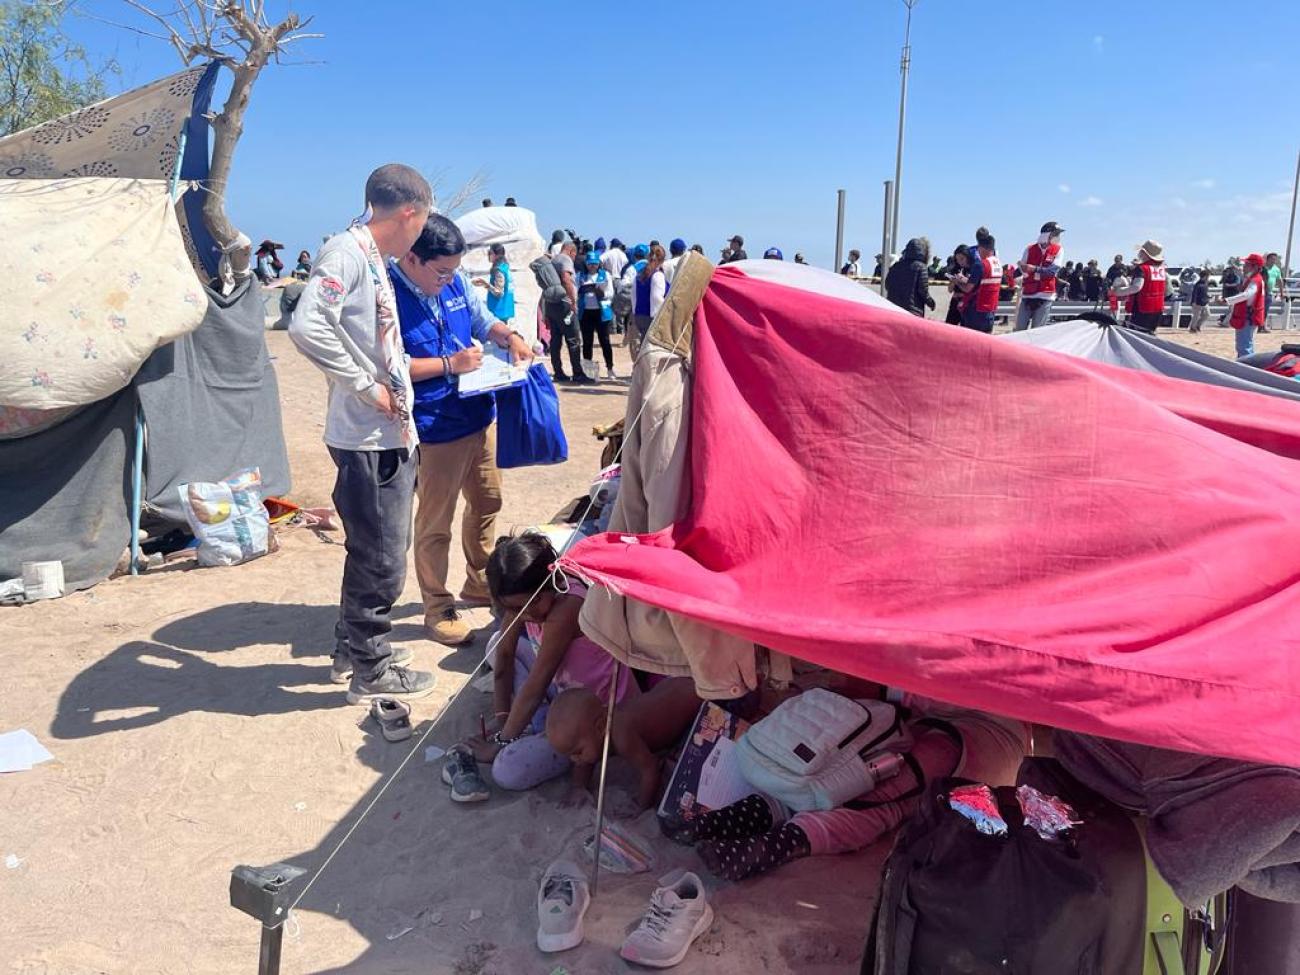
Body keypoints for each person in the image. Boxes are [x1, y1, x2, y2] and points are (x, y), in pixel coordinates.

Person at [288, 163, 437, 703]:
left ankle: (352, 648)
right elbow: (307, 325)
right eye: (421, 223)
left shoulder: (369, 257)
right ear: (409, 213)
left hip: (385, 432)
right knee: (381, 558)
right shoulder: (346, 253)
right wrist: (364, 386)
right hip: (366, 435)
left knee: (374, 550)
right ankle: (370, 670)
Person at [692, 692, 1027, 882]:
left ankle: (779, 842)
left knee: (888, 790)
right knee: (839, 767)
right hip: (914, 721)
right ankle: (752, 816)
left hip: (988, 730)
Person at [389, 215, 534, 646]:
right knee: (436, 522)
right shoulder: (387, 297)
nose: (449, 279)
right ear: (412, 258)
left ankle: (479, 579)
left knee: (489, 499)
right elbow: (390, 369)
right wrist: (452, 365)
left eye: (454, 271)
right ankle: (438, 607)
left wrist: (510, 336)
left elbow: (482, 318)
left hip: (478, 414)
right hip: (436, 428)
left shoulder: (454, 284)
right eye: (442, 271)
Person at [467, 534, 640, 790]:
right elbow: (504, 657)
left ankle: (538, 726)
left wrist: (500, 744)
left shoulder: (566, 608)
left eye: (534, 601)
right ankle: (531, 722)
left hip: (595, 714)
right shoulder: (524, 605)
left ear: (555, 581)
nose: (529, 613)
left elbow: (536, 684)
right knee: (495, 642)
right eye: (516, 608)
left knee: (506, 770)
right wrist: (503, 719)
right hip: (562, 691)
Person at [545, 678, 701, 809]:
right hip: (673, 686)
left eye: (577, 752)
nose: (574, 760)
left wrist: (641, 805)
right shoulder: (595, 731)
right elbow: (584, 763)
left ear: (600, 727)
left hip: (694, 704)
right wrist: (578, 787)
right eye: (570, 755)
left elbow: (650, 770)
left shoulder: (622, 735)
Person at [545, 241, 593, 383]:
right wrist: (572, 301)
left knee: (555, 340)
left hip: (551, 304)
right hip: (564, 305)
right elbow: (566, 279)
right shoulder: (565, 259)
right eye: (574, 255)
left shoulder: (553, 260)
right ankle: (578, 373)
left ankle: (558, 372)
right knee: (573, 339)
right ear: (572, 251)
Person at [1108, 240, 1168, 334]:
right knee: (1149, 335)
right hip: (1157, 309)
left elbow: (1136, 287)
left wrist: (1117, 291)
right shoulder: (1161, 269)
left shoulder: (1142, 268)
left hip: (1143, 309)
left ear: (1145, 253)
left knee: (1137, 337)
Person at [1015, 221, 1065, 330]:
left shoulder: (1058, 250)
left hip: (1045, 295)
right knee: (1020, 328)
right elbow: (1021, 269)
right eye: (1055, 234)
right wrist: (1018, 271)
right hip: (1028, 294)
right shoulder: (1029, 249)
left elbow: (1052, 271)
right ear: (1046, 235)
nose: (1058, 237)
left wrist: (1034, 269)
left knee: (1037, 330)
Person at [575, 251, 617, 380]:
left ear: (599, 264)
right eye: (590, 264)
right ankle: (589, 372)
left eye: (595, 263)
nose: (592, 266)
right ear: (586, 264)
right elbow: (575, 290)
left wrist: (600, 292)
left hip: (601, 312)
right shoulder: (580, 276)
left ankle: (610, 368)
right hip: (586, 312)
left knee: (605, 341)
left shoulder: (606, 275)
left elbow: (611, 293)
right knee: (587, 343)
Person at [1224, 253, 1267, 357]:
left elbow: (1246, 295)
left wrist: (1227, 300)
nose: (1244, 266)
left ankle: (1245, 369)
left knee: (1244, 346)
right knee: (1246, 344)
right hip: (1248, 316)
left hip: (1248, 316)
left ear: (1255, 267)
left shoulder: (1255, 280)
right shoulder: (1253, 278)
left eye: (1247, 264)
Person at [960, 227, 1001, 334]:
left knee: (970, 340)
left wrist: (958, 282)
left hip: (977, 309)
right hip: (991, 309)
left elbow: (968, 288)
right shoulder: (998, 264)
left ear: (981, 248)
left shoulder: (980, 264)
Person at [884, 237, 935, 317]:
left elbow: (887, 285)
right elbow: (922, 290)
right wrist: (931, 302)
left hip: (893, 309)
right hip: (913, 310)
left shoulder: (896, 266)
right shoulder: (921, 267)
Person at [632, 243, 668, 349]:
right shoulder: (657, 275)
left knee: (644, 346)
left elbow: (633, 296)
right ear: (662, 260)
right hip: (651, 316)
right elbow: (657, 298)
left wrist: (635, 313)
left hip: (639, 315)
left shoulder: (639, 275)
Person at [944, 245, 972, 325]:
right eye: (957, 259)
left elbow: (972, 286)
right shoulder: (956, 269)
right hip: (955, 301)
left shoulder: (973, 269)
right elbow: (950, 290)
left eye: (962, 259)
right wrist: (953, 281)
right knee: (949, 326)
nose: (960, 262)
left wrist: (964, 280)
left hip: (967, 302)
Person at [1264, 253, 1284, 331]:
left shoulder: (1276, 269)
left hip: (1269, 292)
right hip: (1260, 292)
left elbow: (1280, 281)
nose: (1273, 261)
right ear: (1267, 259)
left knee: (1266, 310)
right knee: (1260, 309)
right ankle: (1259, 325)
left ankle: (1262, 326)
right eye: (1272, 259)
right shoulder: (1263, 268)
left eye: (1275, 259)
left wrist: (1282, 292)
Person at [1188, 268, 1211, 333]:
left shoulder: (1206, 283)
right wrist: (1194, 302)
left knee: (1207, 315)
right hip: (1197, 303)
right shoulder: (1197, 284)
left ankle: (1198, 325)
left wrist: (1209, 297)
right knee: (1196, 316)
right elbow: (1194, 294)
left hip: (1205, 302)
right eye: (1208, 276)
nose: (1208, 278)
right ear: (1204, 276)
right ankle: (1192, 328)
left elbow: (1205, 293)